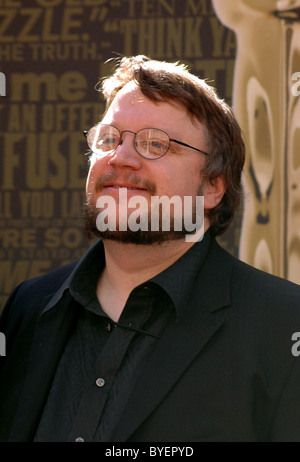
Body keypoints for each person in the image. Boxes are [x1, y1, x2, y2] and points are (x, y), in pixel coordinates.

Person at [0, 55, 300, 443]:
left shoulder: (283, 324)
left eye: (155, 144)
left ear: (212, 187)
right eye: (109, 138)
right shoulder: (29, 307)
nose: (120, 157)